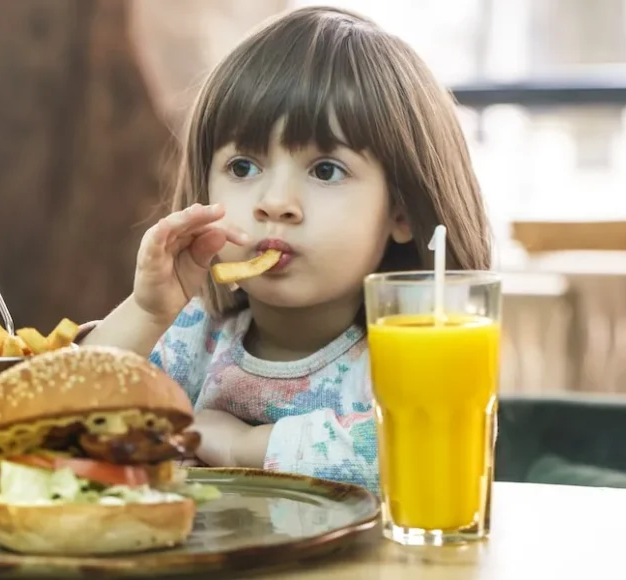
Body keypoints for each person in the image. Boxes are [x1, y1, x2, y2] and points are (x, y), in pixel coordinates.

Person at [80, 6, 491, 493]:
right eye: (243, 167)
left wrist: (242, 447)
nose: (275, 203)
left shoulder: (407, 350)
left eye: (324, 171)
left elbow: (426, 452)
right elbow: (65, 423)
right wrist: (146, 312)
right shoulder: (193, 337)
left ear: (400, 212)